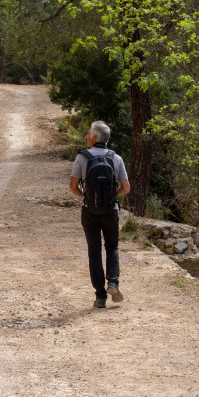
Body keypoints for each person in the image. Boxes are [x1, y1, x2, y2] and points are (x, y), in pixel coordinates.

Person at [69, 121, 130, 308]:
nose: (87, 135)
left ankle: (100, 296)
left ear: (95, 137)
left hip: (90, 211)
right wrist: (112, 196)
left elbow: (73, 187)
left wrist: (85, 194)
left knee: (94, 251)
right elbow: (126, 188)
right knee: (112, 247)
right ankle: (113, 282)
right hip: (110, 211)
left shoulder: (82, 157)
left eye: (89, 133)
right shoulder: (116, 158)